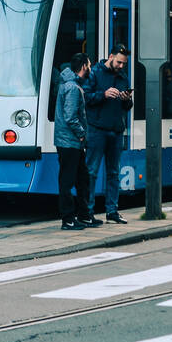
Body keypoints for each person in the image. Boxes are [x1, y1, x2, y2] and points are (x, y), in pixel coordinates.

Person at [84, 44, 134, 224]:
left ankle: (112, 211)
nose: (121, 66)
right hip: (97, 129)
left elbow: (127, 107)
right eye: (119, 62)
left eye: (124, 63)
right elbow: (86, 97)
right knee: (91, 171)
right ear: (111, 56)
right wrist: (103, 94)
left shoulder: (123, 77)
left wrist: (127, 100)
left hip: (116, 130)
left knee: (113, 173)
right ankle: (87, 212)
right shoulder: (95, 73)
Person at [54, 53, 99, 230]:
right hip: (69, 142)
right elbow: (70, 116)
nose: (90, 68)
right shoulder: (72, 88)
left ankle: (84, 216)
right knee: (68, 181)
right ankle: (68, 220)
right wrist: (81, 134)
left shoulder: (70, 84)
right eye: (89, 65)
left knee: (82, 179)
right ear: (83, 67)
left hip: (72, 143)